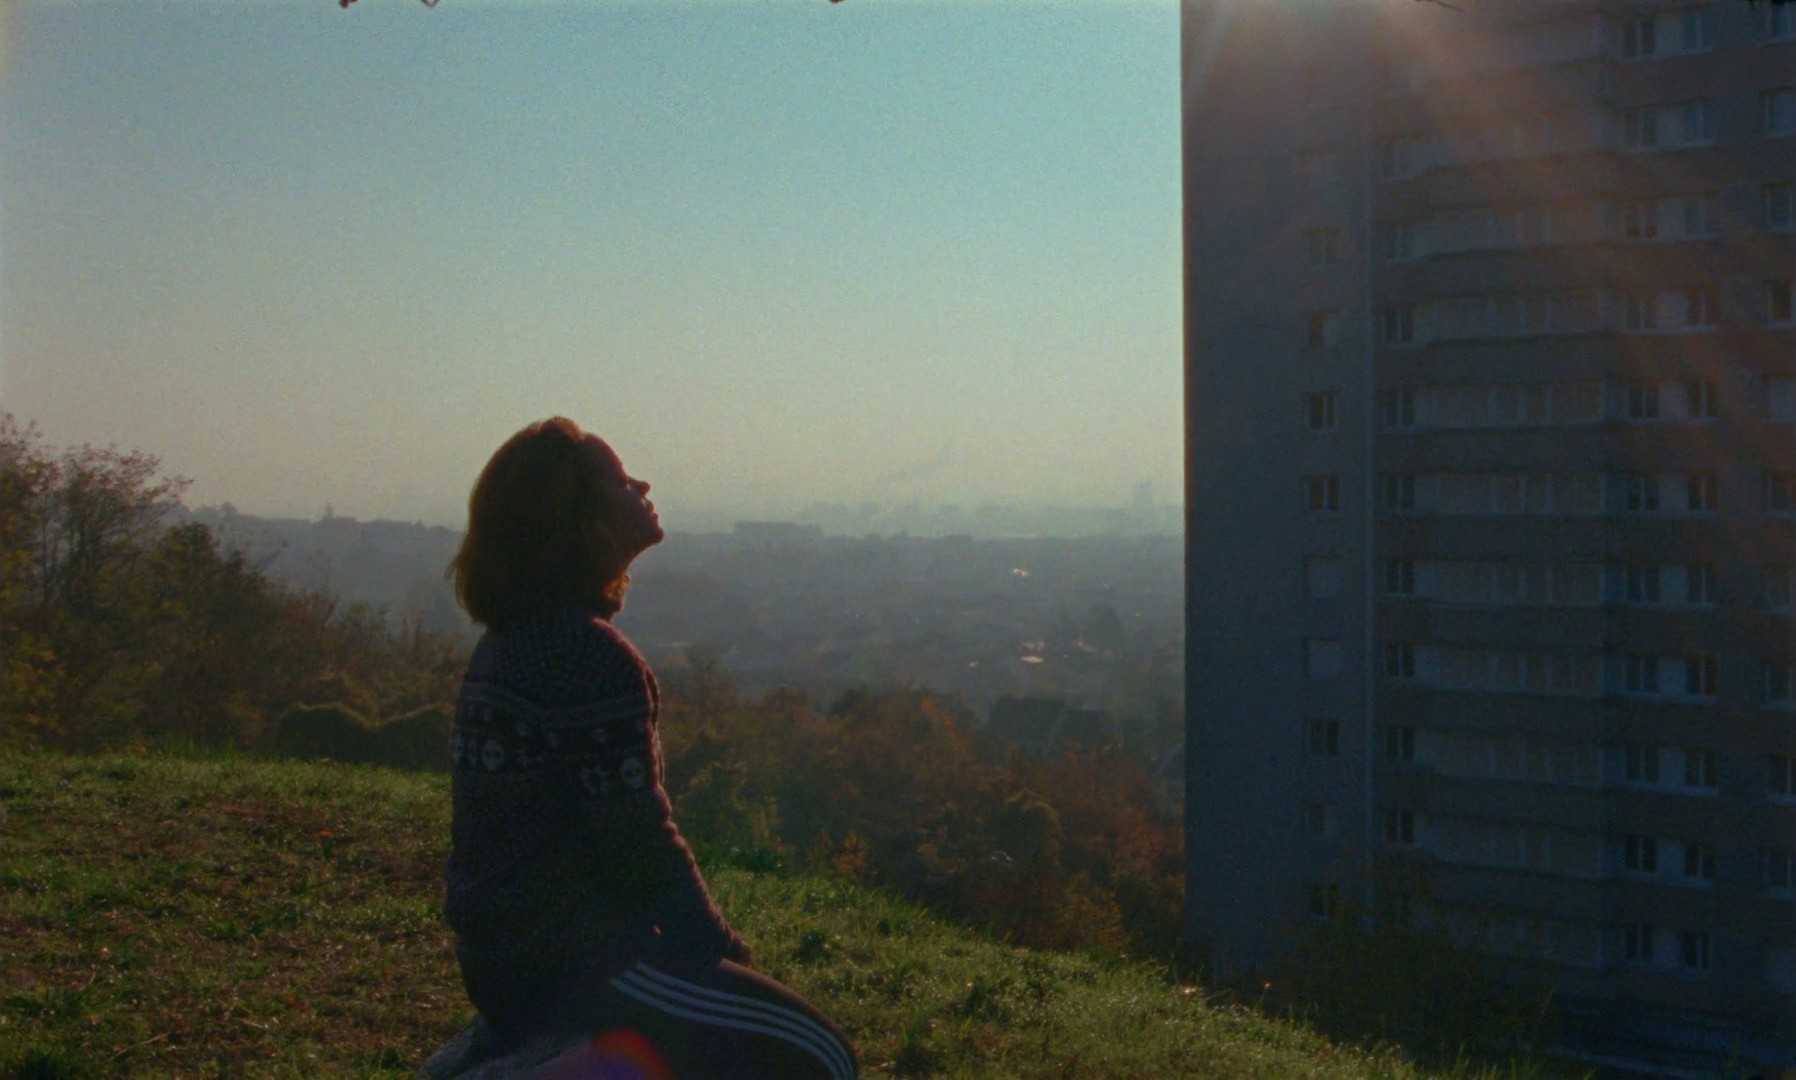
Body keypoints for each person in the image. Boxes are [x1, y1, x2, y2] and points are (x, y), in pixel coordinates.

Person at [420, 417, 856, 1080]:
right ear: (582, 518)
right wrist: (717, 949)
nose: (643, 485)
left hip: (506, 960)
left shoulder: (513, 644)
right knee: (819, 1057)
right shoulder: (586, 656)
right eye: (621, 481)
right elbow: (636, 838)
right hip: (582, 963)